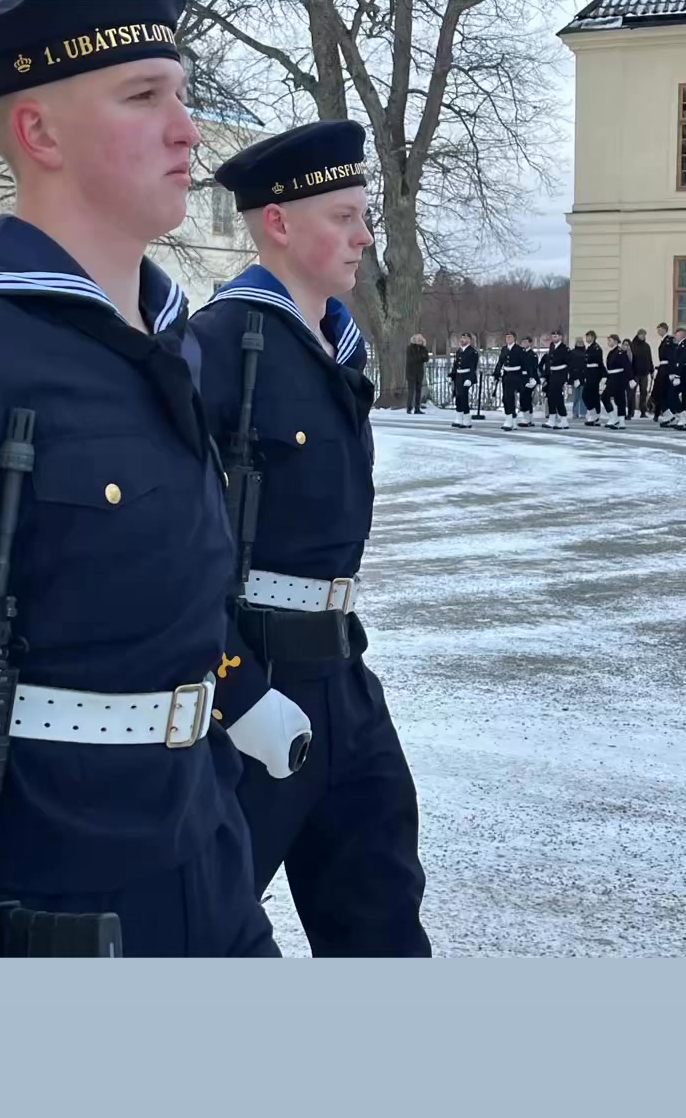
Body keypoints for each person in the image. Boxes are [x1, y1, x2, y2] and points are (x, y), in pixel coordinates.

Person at [0, 0, 279, 958]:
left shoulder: (167, 341)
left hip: (201, 844)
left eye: (183, 94)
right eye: (144, 96)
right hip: (52, 894)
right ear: (37, 130)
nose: (187, 129)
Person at [190, 120, 431, 958]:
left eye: (366, 214)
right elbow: (175, 554)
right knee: (206, 935)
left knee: (382, 914)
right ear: (280, 223)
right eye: (345, 215)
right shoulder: (217, 346)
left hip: (343, 674)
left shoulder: (337, 346)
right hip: (254, 681)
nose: (367, 235)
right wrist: (237, 693)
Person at [493, 331, 524, 431]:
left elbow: (525, 363)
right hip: (507, 375)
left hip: (516, 375)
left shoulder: (519, 350)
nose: (508, 339)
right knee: (506, 398)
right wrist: (496, 373)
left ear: (514, 338)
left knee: (509, 397)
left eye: (510, 337)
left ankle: (510, 419)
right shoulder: (504, 349)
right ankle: (511, 419)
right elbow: (500, 362)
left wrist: (527, 377)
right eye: (507, 337)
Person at [601, 334, 632, 429]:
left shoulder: (620, 352)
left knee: (613, 398)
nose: (608, 342)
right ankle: (615, 418)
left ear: (615, 341)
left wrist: (631, 379)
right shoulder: (612, 352)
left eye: (609, 340)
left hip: (619, 378)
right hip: (612, 377)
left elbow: (627, 366)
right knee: (615, 398)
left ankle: (619, 420)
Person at [449, 332, 479, 428]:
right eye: (462, 338)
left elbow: (473, 367)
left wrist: (469, 379)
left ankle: (460, 418)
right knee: (460, 396)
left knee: (462, 396)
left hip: (466, 376)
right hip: (458, 376)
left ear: (469, 340)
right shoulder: (459, 351)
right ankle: (466, 420)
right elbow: (456, 364)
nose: (462, 340)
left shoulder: (472, 352)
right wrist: (452, 374)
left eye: (465, 338)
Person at [542, 330, 571, 430]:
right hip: (552, 375)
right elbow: (548, 362)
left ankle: (561, 419)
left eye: (556, 336)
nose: (554, 337)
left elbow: (568, 363)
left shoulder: (564, 349)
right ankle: (555, 418)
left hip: (560, 375)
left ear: (561, 337)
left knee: (556, 397)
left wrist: (566, 378)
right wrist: (545, 376)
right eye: (553, 335)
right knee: (552, 397)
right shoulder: (552, 347)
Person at [663, 327, 686, 430]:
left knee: (674, 394)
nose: (675, 336)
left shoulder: (684, 345)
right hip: (680, 373)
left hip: (683, 374)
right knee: (673, 395)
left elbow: (681, 361)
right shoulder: (679, 345)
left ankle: (683, 417)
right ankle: (682, 416)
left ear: (682, 334)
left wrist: (677, 375)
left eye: (677, 334)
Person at [582, 329, 605, 426]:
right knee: (589, 395)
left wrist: (601, 375)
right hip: (589, 373)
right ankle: (594, 414)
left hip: (594, 373)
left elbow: (598, 362)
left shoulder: (596, 348)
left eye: (588, 337)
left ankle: (595, 415)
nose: (587, 338)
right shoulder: (589, 348)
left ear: (593, 337)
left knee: (590, 395)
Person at [652, 323, 673, 424]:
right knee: (659, 392)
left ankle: (669, 414)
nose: (658, 331)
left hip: (665, 369)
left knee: (663, 392)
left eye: (659, 329)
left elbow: (670, 356)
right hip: (662, 368)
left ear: (664, 329)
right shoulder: (664, 340)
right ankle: (667, 414)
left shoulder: (668, 341)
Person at [630, 328, 654, 418]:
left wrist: (651, 371)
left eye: (644, 335)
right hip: (635, 373)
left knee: (644, 392)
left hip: (644, 373)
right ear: (638, 335)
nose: (643, 336)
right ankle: (631, 411)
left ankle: (643, 411)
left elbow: (649, 359)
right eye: (641, 334)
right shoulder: (633, 346)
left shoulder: (646, 346)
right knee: (632, 392)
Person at [517, 336, 539, 427]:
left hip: (529, 379)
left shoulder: (532, 354)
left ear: (530, 343)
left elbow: (533, 368)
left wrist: (532, 378)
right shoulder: (521, 353)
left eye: (526, 342)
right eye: (523, 342)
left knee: (525, 398)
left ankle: (527, 418)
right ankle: (529, 418)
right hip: (522, 378)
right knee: (524, 398)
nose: (524, 344)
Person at [406, 334, 429, 414]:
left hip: (419, 372)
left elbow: (426, 358)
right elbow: (412, 359)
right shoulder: (410, 348)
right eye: (418, 340)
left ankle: (417, 408)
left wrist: (424, 350)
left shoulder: (423, 348)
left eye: (421, 340)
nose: (420, 341)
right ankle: (409, 408)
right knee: (411, 391)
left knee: (419, 391)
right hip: (411, 372)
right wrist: (421, 357)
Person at [568, 336, 588, 419]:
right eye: (578, 342)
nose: (580, 343)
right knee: (576, 396)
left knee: (583, 396)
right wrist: (573, 378)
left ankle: (583, 412)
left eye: (581, 342)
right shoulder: (572, 353)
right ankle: (575, 412)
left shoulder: (586, 352)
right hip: (575, 376)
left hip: (583, 376)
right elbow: (570, 366)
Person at [621, 339, 637, 419]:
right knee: (622, 396)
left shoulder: (633, 354)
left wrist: (633, 378)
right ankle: (623, 412)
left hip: (632, 377)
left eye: (627, 344)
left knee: (630, 396)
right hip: (623, 377)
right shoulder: (620, 354)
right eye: (624, 344)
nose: (625, 346)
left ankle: (630, 413)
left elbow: (635, 366)